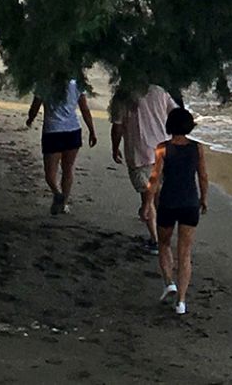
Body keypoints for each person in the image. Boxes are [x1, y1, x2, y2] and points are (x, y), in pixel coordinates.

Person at [143, 107, 208, 316]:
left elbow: (154, 179)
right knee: (185, 252)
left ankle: (169, 283)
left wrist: (147, 202)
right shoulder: (197, 149)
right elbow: (203, 176)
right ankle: (181, 301)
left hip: (169, 202)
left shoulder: (162, 149)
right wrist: (203, 199)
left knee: (163, 243)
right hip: (190, 203)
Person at [111, 84, 176, 251]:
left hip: (139, 153)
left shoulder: (123, 95)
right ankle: (164, 235)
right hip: (163, 151)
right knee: (159, 196)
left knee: (147, 199)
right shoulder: (160, 91)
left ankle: (156, 240)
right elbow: (175, 114)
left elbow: (117, 126)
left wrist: (115, 146)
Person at [26, 77, 96, 215]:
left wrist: (30, 118)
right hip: (73, 130)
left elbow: (36, 105)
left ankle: (57, 193)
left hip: (53, 131)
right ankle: (64, 204)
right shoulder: (76, 83)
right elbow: (84, 109)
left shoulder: (44, 83)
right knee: (68, 169)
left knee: (50, 173)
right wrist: (92, 130)